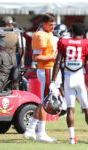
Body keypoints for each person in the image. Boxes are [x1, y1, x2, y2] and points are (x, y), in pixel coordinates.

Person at [23, 13, 60, 143]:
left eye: (54, 24)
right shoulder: (40, 35)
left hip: (50, 69)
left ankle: (31, 129)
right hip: (46, 69)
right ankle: (40, 133)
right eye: (50, 24)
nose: (53, 27)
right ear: (44, 24)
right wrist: (54, 57)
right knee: (46, 101)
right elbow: (36, 57)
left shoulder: (49, 34)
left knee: (45, 100)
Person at [50, 22, 88, 144]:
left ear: (72, 32)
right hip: (79, 78)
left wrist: (52, 80)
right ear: (83, 33)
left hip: (68, 78)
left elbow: (57, 62)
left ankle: (72, 138)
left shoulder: (64, 42)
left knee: (70, 109)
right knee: (86, 109)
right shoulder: (86, 43)